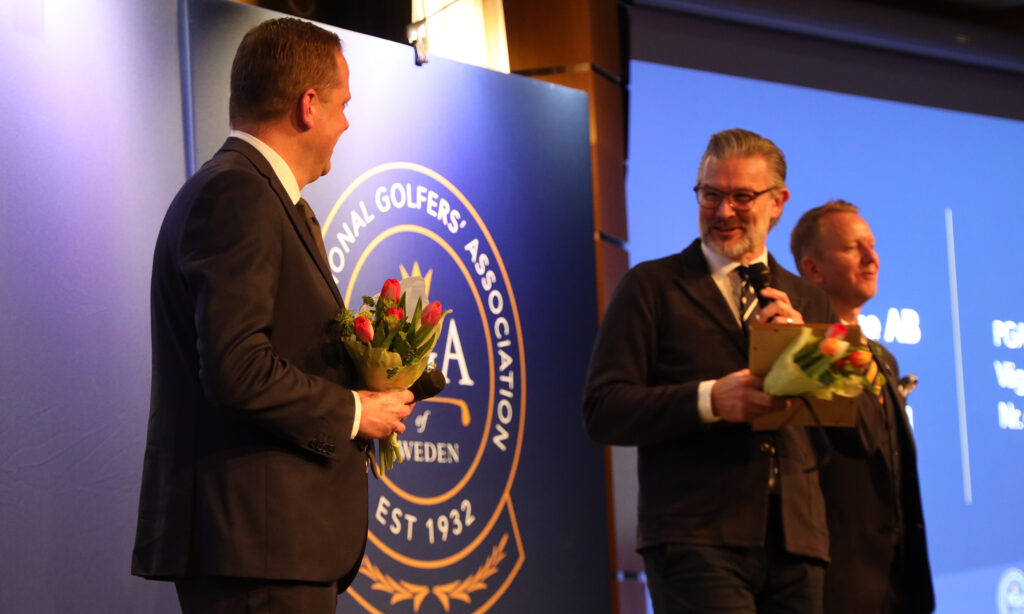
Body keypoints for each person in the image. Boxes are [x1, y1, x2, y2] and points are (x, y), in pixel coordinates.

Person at [131, 18, 413, 613]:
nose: (346, 123)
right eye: (342, 104)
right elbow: (237, 368)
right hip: (256, 550)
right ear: (308, 105)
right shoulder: (238, 194)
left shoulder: (258, 196)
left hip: (270, 550)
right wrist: (356, 411)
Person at [584, 128, 836, 613]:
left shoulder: (809, 300)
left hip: (797, 544)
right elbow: (603, 408)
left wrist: (808, 359)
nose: (723, 212)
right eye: (711, 195)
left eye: (741, 197)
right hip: (694, 538)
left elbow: (841, 434)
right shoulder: (651, 286)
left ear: (778, 202)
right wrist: (709, 400)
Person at [790, 201, 935, 614]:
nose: (872, 258)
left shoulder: (883, 359)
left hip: (895, 585)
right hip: (834, 584)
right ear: (813, 269)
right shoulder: (804, 350)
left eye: (872, 245)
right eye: (854, 248)